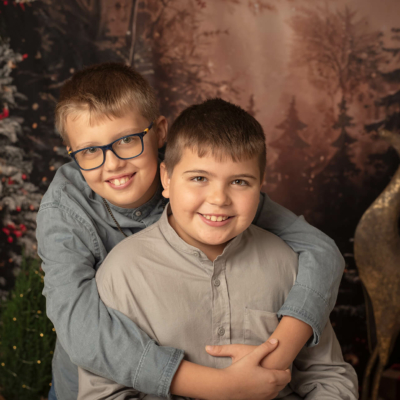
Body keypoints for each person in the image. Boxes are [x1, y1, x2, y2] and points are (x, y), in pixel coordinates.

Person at [36, 63, 345, 400]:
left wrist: (278, 352)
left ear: (160, 132)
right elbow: (81, 330)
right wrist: (224, 386)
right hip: (91, 385)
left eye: (126, 140)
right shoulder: (66, 209)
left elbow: (321, 252)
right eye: (89, 150)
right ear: (72, 152)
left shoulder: (203, 177)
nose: (112, 164)